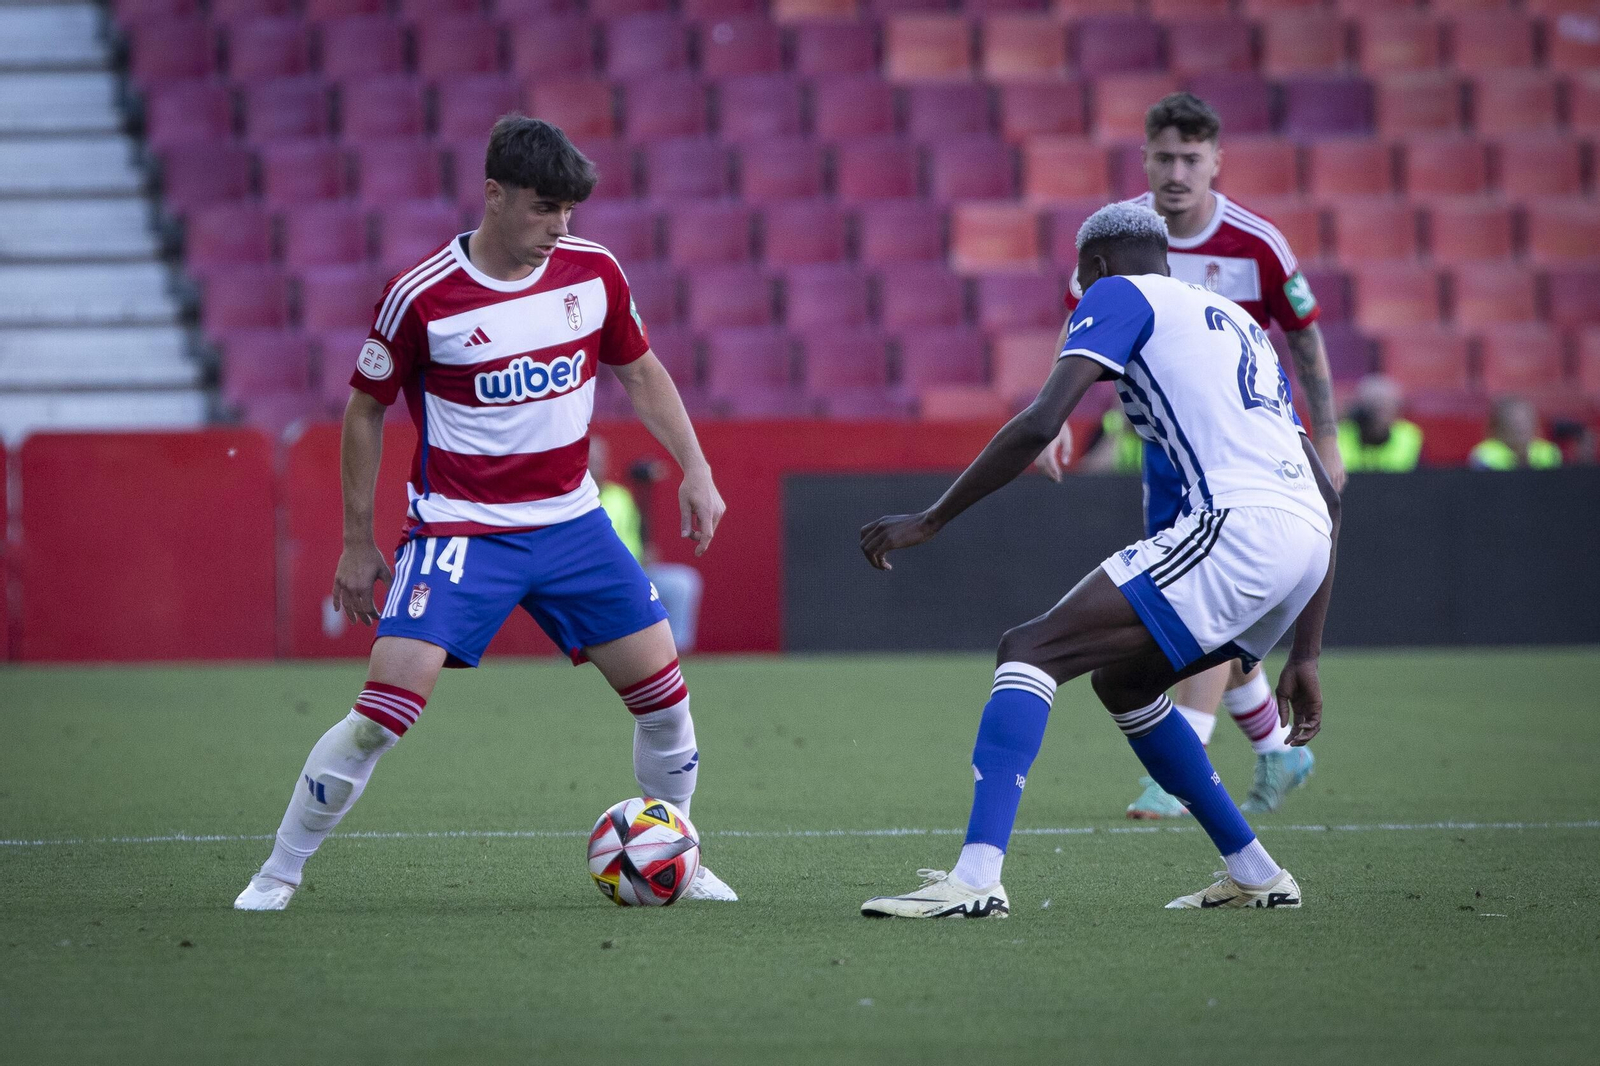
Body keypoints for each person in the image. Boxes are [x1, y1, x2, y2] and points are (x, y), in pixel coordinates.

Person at [234, 116, 736, 910]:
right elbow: (364, 411)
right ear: (494, 194)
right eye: (544, 209)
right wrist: (358, 541)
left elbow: (640, 372)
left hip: (573, 529)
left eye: (569, 211)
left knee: (667, 703)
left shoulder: (593, 273)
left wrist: (697, 468)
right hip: (460, 532)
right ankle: (279, 871)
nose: (558, 228)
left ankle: (677, 849)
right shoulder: (421, 297)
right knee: (379, 718)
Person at [858, 203, 1339, 917]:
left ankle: (976, 880)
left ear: (1099, 266)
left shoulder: (1118, 292)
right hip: (1304, 541)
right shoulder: (1238, 324)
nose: (1079, 297)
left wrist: (931, 519)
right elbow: (1328, 495)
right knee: (1123, 684)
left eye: (1080, 280)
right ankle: (1257, 872)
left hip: (1240, 524)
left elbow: (1042, 421)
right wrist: (1306, 651)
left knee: (1029, 649)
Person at [1049, 93, 1343, 819]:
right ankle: (1277, 750)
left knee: (1198, 605)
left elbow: (1304, 340)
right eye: (1164, 157)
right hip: (1164, 454)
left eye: (1192, 158)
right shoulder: (1119, 238)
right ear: (1145, 158)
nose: (1177, 171)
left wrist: (1330, 436)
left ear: (1216, 161)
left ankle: (1183, 763)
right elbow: (1080, 326)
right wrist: (1057, 416)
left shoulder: (1257, 244)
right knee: (1207, 603)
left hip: (1242, 454)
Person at [591, 434, 704, 652]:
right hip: (595, 579)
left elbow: (631, 535)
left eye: (599, 459)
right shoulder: (573, 500)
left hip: (635, 574)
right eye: (590, 459)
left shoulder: (620, 496)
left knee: (683, 582)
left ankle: (677, 653)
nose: (596, 465)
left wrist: (645, 551)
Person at [1338, 375, 1423, 472]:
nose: (1380, 417)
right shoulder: (1340, 435)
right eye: (1374, 407)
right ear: (1360, 410)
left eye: (1387, 407)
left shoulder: (1408, 435)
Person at [1469, 396, 1563, 470]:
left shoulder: (1549, 452)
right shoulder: (1485, 455)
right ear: (1500, 427)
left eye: (1525, 422)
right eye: (1514, 423)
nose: (1521, 429)